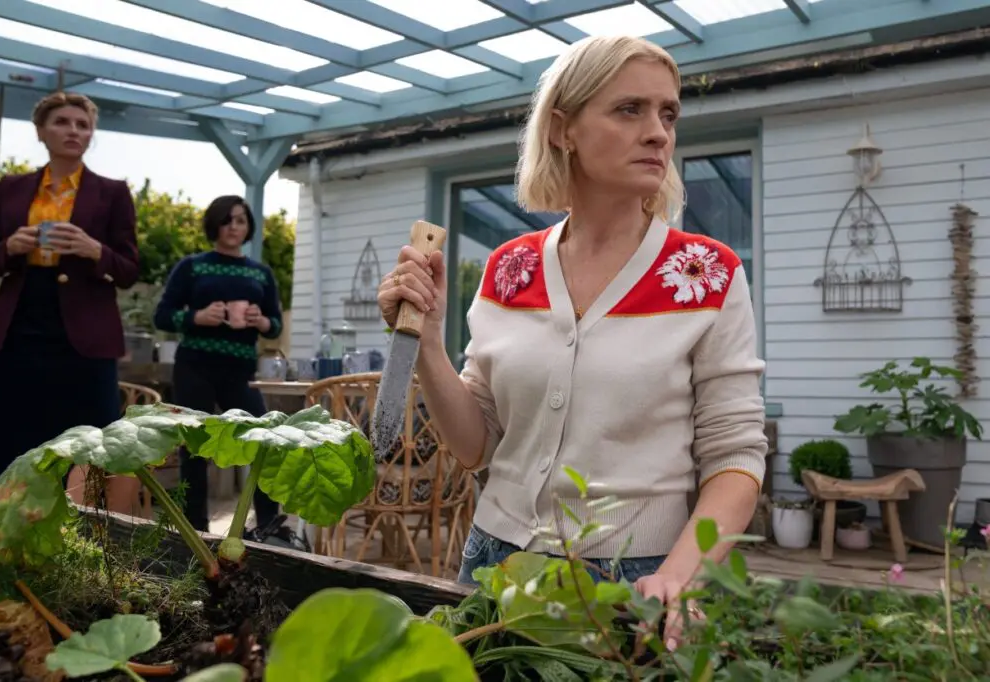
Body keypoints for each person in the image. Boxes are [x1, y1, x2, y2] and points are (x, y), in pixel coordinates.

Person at [376, 35, 767, 645]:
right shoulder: (510, 268)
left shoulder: (706, 274)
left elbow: (737, 458)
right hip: (493, 569)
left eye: (669, 114)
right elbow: (476, 443)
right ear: (563, 129)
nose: (659, 132)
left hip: (636, 582)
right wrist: (427, 342)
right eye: (629, 109)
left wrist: (680, 578)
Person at [0, 91, 139, 512]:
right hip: (17, 329)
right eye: (62, 122)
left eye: (83, 125)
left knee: (92, 445)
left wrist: (93, 249)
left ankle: (84, 548)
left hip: (85, 339)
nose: (74, 131)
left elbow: (130, 269)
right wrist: (10, 246)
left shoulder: (112, 193)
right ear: (42, 131)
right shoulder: (12, 188)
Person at [153, 195, 283, 534]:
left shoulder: (261, 273)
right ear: (215, 225)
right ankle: (195, 528)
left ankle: (269, 524)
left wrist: (260, 321)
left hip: (240, 371)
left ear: (248, 227)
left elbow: (276, 324)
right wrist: (198, 316)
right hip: (195, 365)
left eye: (240, 220)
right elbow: (163, 315)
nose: (234, 227)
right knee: (194, 449)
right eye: (227, 220)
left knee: (264, 440)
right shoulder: (192, 266)